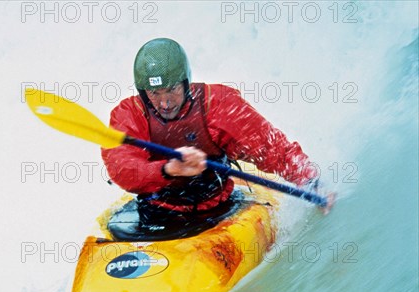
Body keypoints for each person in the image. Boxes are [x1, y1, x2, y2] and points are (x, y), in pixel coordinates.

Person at [101, 38, 320, 226]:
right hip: (157, 213)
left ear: (186, 82)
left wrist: (311, 183)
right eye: (154, 92)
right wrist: (169, 169)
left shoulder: (217, 104)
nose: (165, 102)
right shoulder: (128, 115)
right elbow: (122, 169)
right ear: (142, 92)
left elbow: (271, 148)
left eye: (172, 89)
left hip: (217, 207)